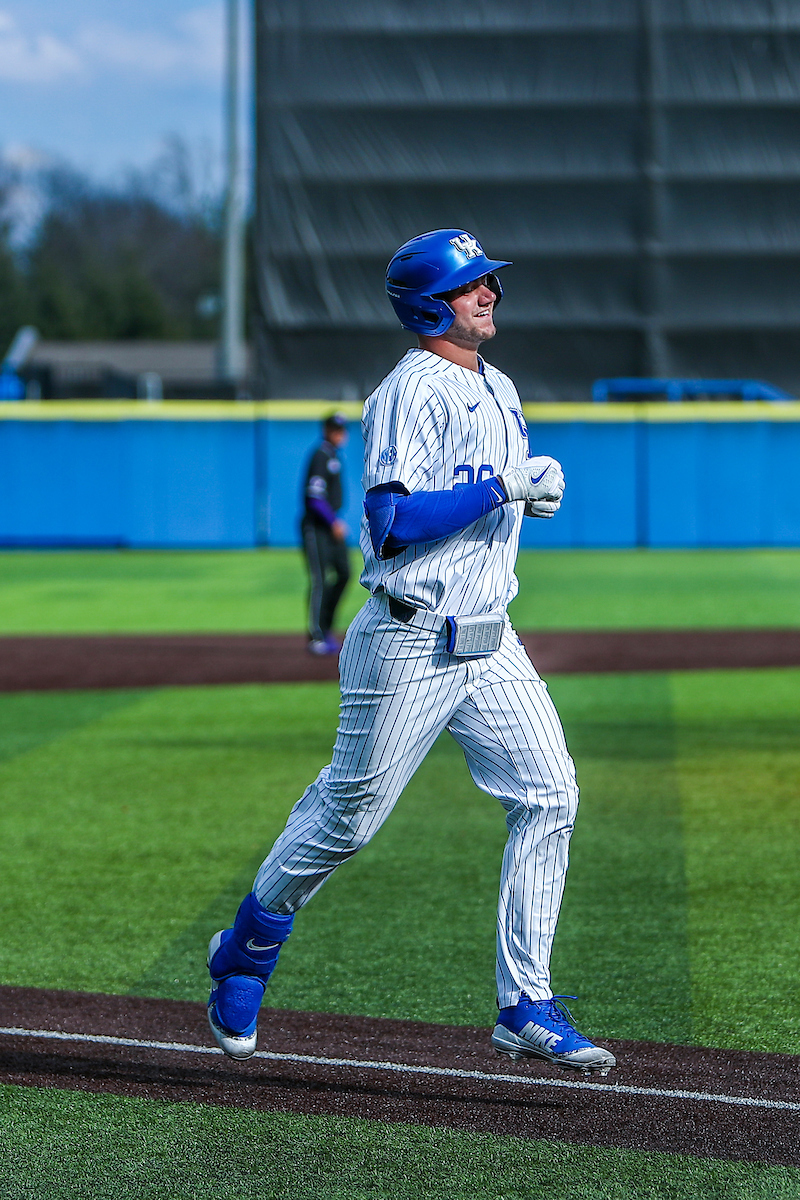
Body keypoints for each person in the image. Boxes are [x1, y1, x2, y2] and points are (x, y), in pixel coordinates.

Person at [206, 228, 616, 1077]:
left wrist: (525, 501)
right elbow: (393, 523)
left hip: (491, 639)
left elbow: (481, 504)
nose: (490, 293)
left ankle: (524, 1003)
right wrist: (502, 487)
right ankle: (246, 948)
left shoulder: (499, 387)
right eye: (472, 286)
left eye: (490, 282)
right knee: (348, 820)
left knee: (550, 795)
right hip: (408, 634)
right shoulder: (407, 393)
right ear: (431, 304)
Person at [300, 412, 351, 655]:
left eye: (342, 429)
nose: (340, 434)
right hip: (318, 527)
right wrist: (332, 522)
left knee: (344, 573)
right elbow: (314, 497)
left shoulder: (333, 456)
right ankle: (317, 636)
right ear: (327, 430)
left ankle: (327, 627)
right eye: (335, 429)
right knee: (320, 579)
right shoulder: (321, 455)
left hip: (331, 526)